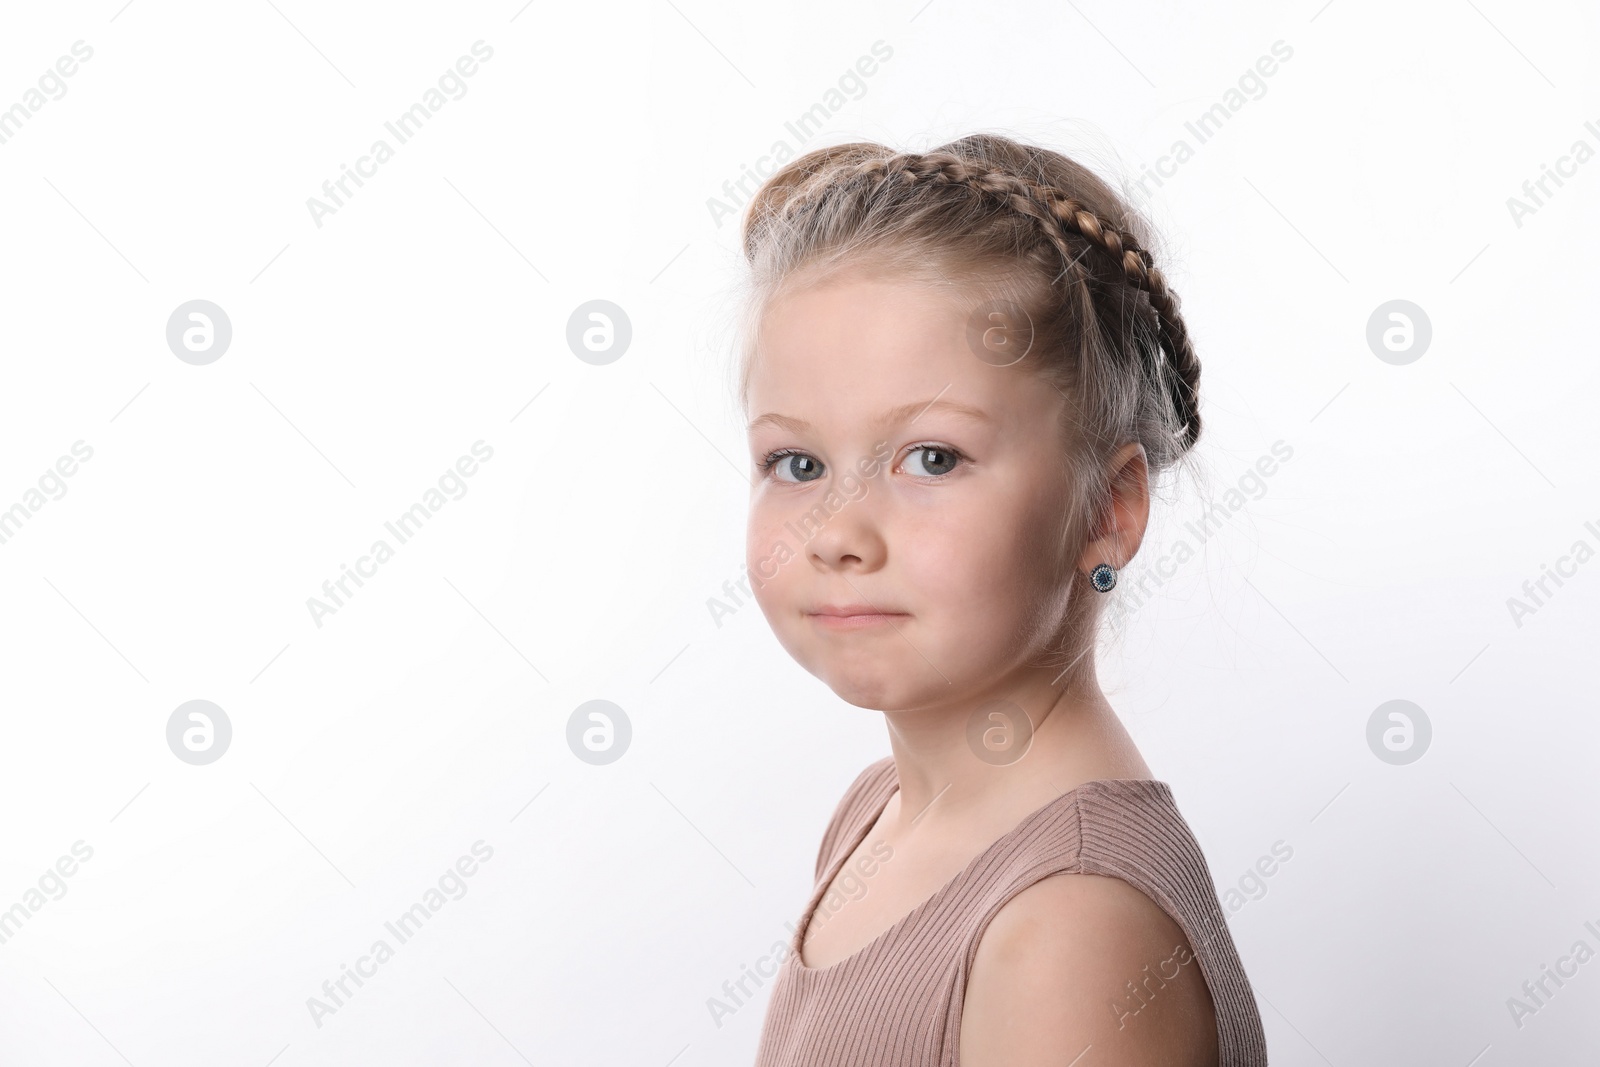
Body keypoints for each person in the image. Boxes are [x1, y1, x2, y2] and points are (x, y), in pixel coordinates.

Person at [735, 133, 1269, 1066]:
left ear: (1107, 509)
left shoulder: (1070, 928)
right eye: (797, 462)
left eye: (932, 458)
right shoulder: (879, 813)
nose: (837, 531)